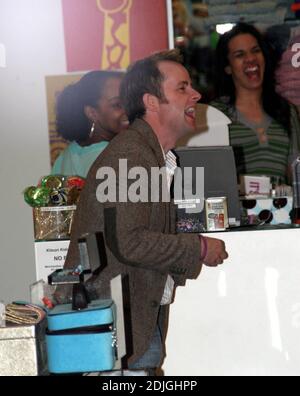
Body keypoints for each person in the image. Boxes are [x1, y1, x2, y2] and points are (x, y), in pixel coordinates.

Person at [56, 50, 228, 374]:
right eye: (182, 88)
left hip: (126, 323)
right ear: (151, 102)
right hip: (114, 327)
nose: (196, 94)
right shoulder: (132, 155)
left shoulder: (149, 155)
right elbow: (130, 241)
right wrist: (200, 247)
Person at [211, 23, 300, 184]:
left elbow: (295, 174)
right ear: (227, 67)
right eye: (240, 55)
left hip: (281, 208)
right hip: (234, 209)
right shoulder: (214, 114)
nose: (250, 59)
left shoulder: (287, 110)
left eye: (255, 51)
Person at [51, 70, 129, 178]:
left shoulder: (64, 158)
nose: (129, 109)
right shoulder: (121, 155)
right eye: (117, 105)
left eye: (130, 101)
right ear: (92, 113)